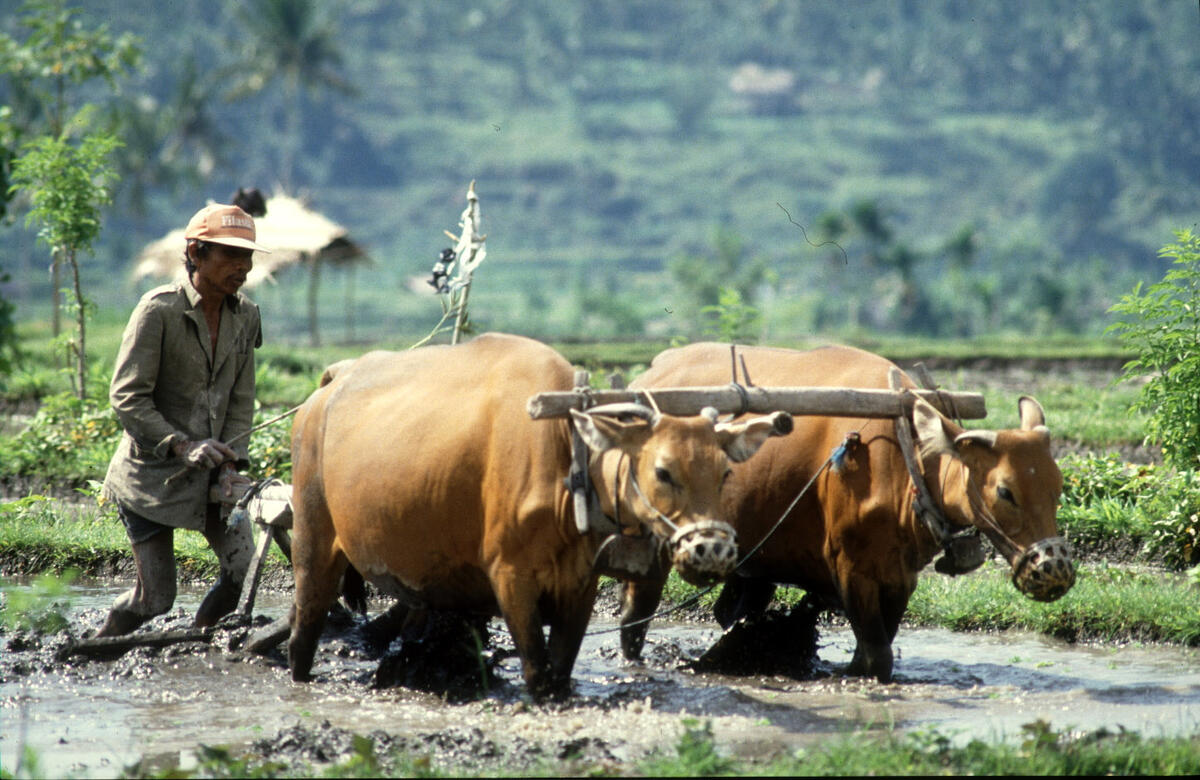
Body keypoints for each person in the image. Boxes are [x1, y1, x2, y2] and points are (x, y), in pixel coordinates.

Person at [96, 203, 269, 637]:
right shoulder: (158, 311)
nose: (242, 267)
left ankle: (198, 643)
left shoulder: (246, 315)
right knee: (155, 599)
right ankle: (96, 646)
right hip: (151, 477)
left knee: (243, 573)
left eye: (247, 256)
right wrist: (181, 444)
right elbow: (126, 397)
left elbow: (241, 398)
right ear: (195, 252)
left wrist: (232, 463)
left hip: (212, 473)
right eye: (230, 255)